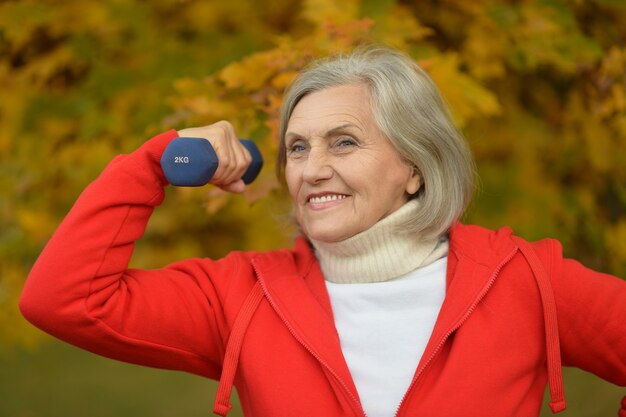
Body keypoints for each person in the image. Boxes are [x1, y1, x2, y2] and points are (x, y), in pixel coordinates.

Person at [19, 46, 626, 417]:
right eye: (297, 147)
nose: (312, 169)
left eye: (344, 142)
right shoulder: (241, 297)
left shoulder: (521, 280)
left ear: (415, 168)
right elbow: (63, 300)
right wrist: (154, 164)